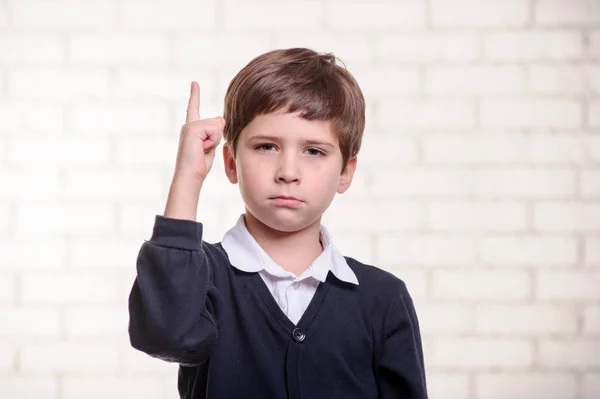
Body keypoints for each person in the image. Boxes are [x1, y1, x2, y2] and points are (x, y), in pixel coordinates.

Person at [128, 48, 428, 399]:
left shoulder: (383, 299)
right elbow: (165, 335)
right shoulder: (201, 276)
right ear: (231, 162)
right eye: (267, 147)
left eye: (313, 151)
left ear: (346, 172)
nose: (288, 172)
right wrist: (187, 177)